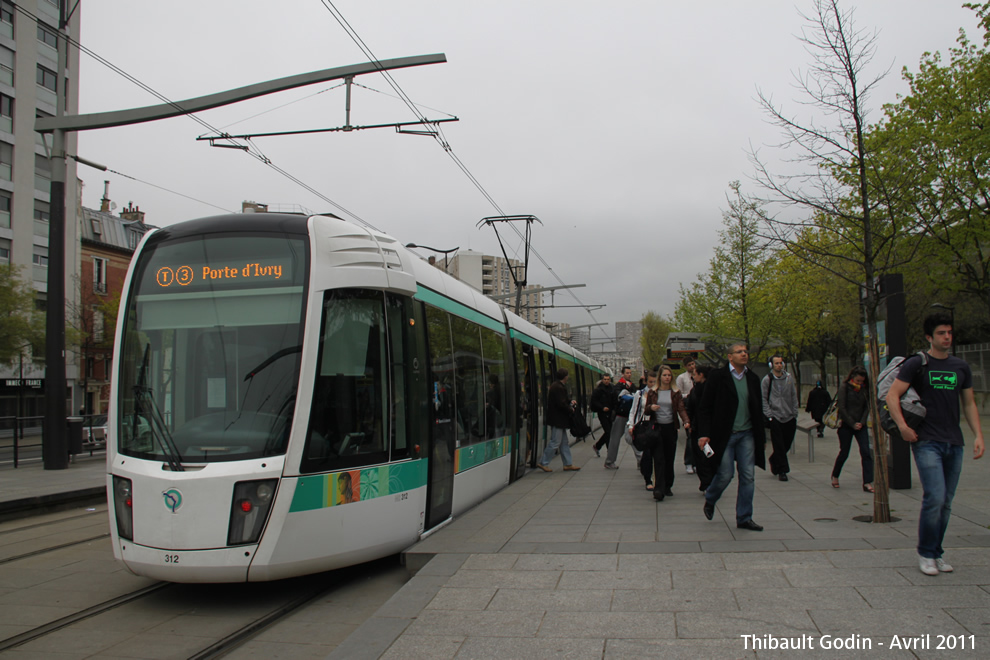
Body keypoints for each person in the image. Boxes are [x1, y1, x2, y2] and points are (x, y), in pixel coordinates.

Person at [886, 312, 984, 577]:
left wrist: (978, 435)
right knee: (935, 497)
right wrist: (903, 428)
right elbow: (892, 396)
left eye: (949, 332)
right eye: (941, 333)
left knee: (947, 501)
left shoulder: (960, 367)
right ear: (930, 337)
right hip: (927, 441)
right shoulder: (918, 363)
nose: (947, 337)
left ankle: (937, 552)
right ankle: (926, 553)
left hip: (954, 441)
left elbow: (969, 403)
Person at [697, 343, 766, 531]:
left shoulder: (752, 378)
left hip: (747, 434)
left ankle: (744, 517)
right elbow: (705, 408)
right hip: (724, 435)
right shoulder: (718, 377)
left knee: (748, 476)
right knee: (725, 474)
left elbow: (757, 409)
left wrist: (762, 438)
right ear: (729, 357)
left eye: (745, 352)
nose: (744, 354)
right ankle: (711, 497)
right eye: (739, 352)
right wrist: (704, 433)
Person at [630, 366, 689, 500]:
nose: (667, 377)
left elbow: (681, 408)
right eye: (664, 375)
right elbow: (646, 410)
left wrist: (686, 421)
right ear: (660, 377)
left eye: (669, 375)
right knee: (658, 458)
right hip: (657, 429)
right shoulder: (653, 392)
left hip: (670, 428)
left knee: (669, 458)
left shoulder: (675, 392)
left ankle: (668, 485)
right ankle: (659, 489)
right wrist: (651, 407)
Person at [830, 366, 873, 493]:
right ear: (852, 377)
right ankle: (835, 475)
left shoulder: (865, 389)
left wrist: (862, 422)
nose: (859, 383)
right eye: (858, 381)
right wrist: (852, 423)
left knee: (866, 452)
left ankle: (867, 481)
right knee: (844, 452)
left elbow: (867, 406)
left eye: (862, 381)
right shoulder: (845, 387)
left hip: (861, 424)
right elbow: (842, 407)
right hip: (846, 425)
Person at [762, 355, 799, 481]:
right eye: (776, 363)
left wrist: (795, 413)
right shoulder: (767, 380)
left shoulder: (789, 378)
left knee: (787, 443)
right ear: (771, 365)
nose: (779, 365)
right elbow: (763, 399)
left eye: (780, 363)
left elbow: (793, 395)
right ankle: (783, 470)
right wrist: (769, 415)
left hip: (789, 416)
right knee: (779, 445)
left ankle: (774, 459)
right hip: (775, 417)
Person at [537, 368, 581, 472]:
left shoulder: (556, 386)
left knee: (564, 442)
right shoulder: (558, 387)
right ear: (565, 377)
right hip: (558, 419)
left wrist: (570, 401)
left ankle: (568, 464)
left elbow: (562, 400)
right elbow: (561, 403)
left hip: (559, 419)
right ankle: (543, 462)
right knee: (555, 442)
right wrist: (570, 409)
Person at [685, 364, 715, 492]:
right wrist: (689, 423)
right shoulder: (695, 390)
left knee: (708, 457)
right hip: (696, 427)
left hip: (709, 428)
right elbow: (690, 408)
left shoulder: (711, 390)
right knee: (699, 456)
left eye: (695, 374)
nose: (693, 376)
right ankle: (706, 481)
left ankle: (708, 482)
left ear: (701, 375)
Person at [603, 366, 636, 469]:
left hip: (630, 415)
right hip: (620, 415)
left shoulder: (632, 385)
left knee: (633, 438)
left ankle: (641, 460)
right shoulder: (618, 386)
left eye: (630, 373)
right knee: (615, 438)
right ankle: (609, 461)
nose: (629, 374)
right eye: (627, 373)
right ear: (623, 374)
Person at [676, 357, 697, 474]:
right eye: (689, 365)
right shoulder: (682, 378)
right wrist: (688, 395)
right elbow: (678, 394)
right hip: (687, 407)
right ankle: (688, 462)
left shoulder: (699, 375)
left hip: (697, 408)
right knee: (690, 437)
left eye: (693, 364)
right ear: (685, 366)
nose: (692, 366)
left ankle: (696, 462)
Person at [590, 374, 614, 457]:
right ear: (602, 380)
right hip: (602, 413)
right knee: (608, 432)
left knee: (609, 432)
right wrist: (602, 407)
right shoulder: (598, 390)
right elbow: (594, 401)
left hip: (610, 413)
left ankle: (597, 446)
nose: (606, 381)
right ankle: (609, 451)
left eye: (608, 379)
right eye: (605, 379)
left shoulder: (612, 388)